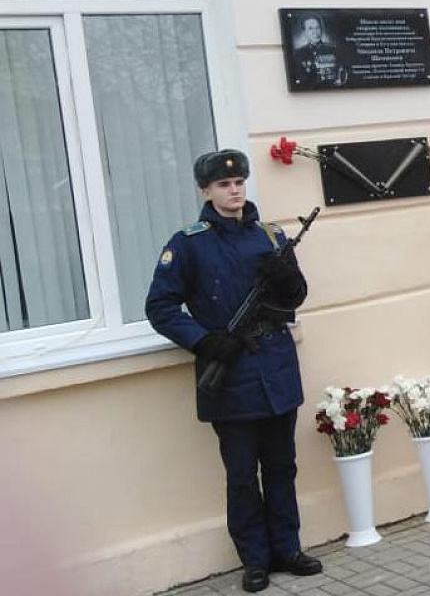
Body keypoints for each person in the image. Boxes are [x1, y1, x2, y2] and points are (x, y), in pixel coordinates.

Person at [145, 150, 322, 593]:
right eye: (224, 184)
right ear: (205, 191)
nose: (235, 189)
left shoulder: (272, 235)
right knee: (242, 475)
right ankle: (255, 560)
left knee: (282, 466)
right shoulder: (188, 243)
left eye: (240, 181)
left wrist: (284, 279)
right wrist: (203, 340)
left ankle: (287, 548)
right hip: (230, 371)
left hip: (276, 367)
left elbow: (296, 296)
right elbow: (160, 306)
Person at [291, 15, 343, 87]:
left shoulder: (333, 50)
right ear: (304, 32)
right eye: (310, 28)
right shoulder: (297, 53)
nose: (315, 32)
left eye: (317, 28)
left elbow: (341, 72)